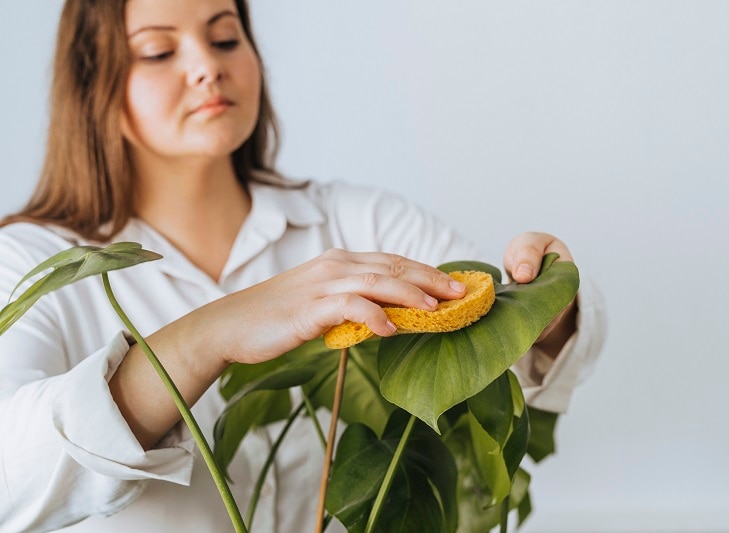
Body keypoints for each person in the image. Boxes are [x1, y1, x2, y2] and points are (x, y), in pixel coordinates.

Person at [0, 0, 606, 531]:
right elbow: (10, 482)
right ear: (92, 80)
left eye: (225, 37)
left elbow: (502, 358)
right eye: (158, 51)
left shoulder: (360, 223)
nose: (207, 65)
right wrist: (205, 338)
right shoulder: (32, 264)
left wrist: (541, 300)